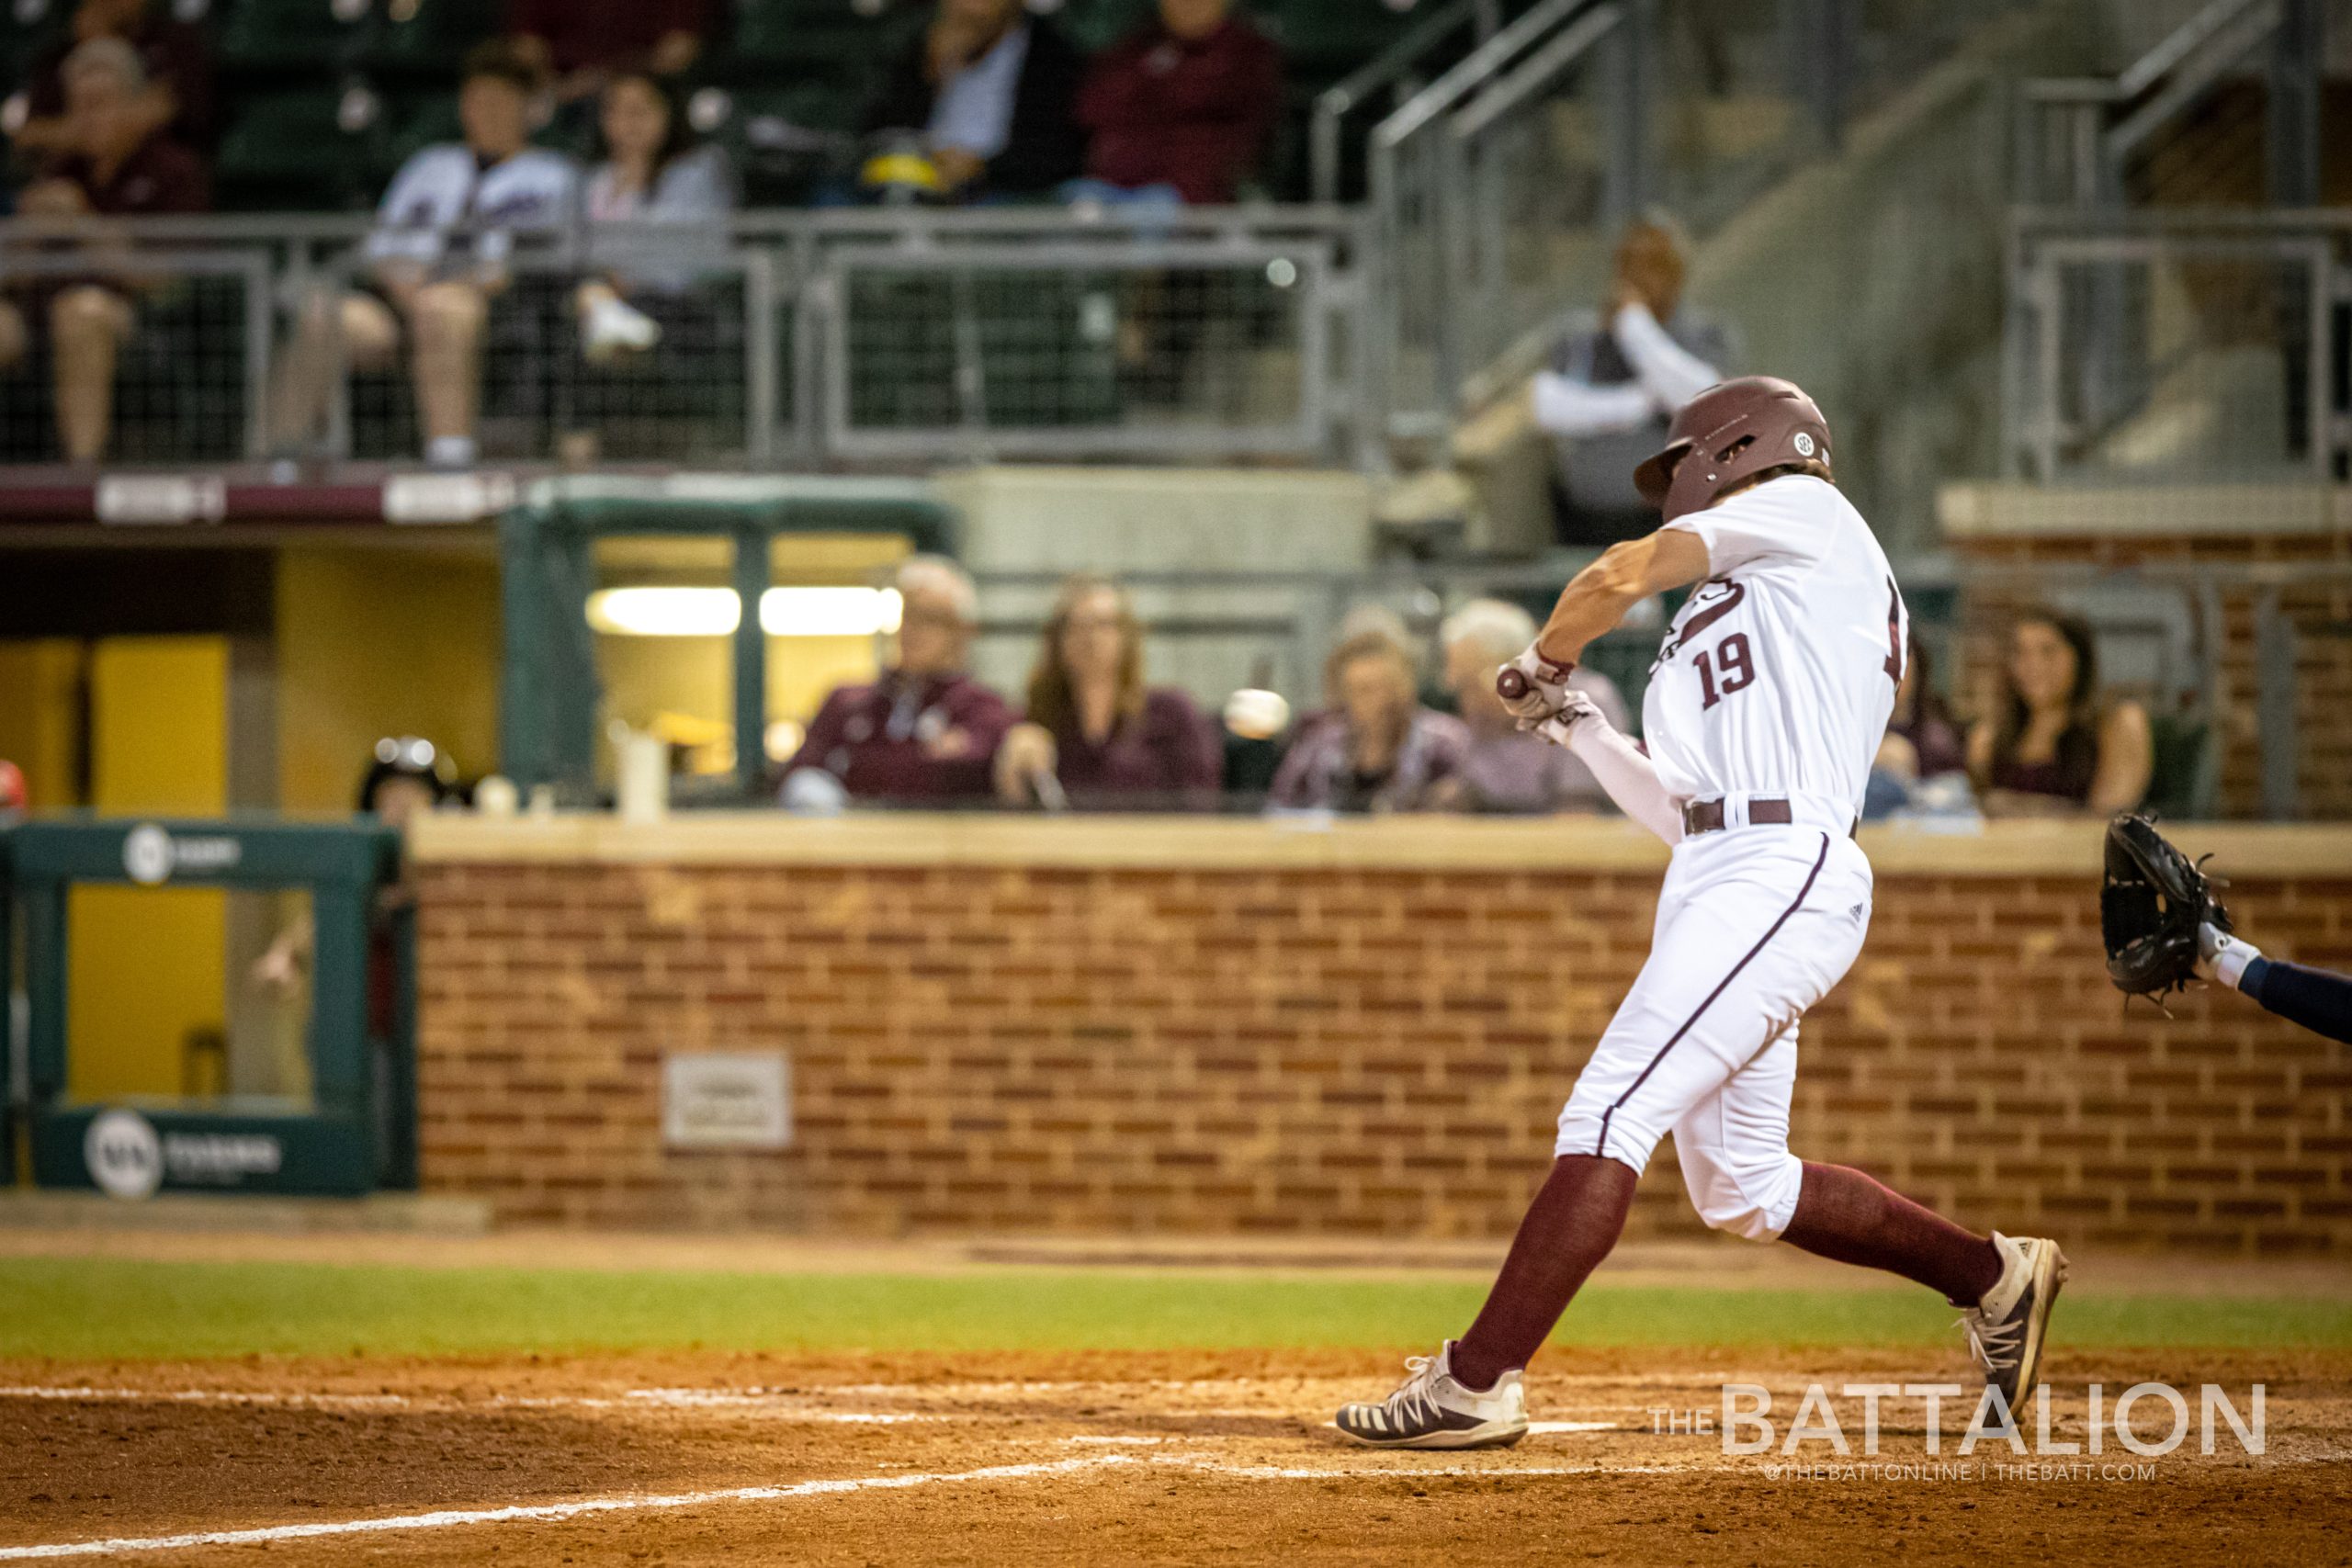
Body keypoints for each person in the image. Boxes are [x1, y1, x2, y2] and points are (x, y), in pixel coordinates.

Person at [1336, 378, 2064, 1449]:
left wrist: (1544, 659)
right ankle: (1992, 1276)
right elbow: (1686, 808)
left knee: (1606, 1111)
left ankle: (1474, 1380)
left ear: (1738, 448)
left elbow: (1614, 572)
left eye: (1679, 463)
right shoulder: (1750, 597)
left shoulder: (1805, 509)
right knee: (1743, 1187)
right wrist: (1576, 725)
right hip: (1725, 864)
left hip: (1781, 867)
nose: (1669, 488)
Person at [269, 41, 576, 468]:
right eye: (476, 100)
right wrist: (401, 283)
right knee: (323, 313)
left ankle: (449, 461)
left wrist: (451, 286)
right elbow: (381, 247)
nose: (485, 111)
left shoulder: (552, 175)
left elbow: (533, 263)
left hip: (491, 305)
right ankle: (282, 457)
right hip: (402, 297)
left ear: (526, 108)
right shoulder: (429, 165)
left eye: (499, 101)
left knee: (441, 308)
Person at [0, 37, 209, 465]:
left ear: (136, 106)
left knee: (81, 312)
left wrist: (83, 223)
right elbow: (11, 274)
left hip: (137, 324)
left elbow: (167, 282)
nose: (88, 117)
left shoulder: (173, 170)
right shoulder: (58, 170)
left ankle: (81, 479)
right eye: (79, 105)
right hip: (38, 317)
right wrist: (27, 233)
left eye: (101, 103)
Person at [1529, 216, 1731, 547]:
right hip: (1583, 527)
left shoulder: (1708, 335)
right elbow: (1548, 407)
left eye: (1652, 265)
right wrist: (1642, 401)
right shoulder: (1582, 338)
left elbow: (1704, 403)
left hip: (1670, 532)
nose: (1636, 276)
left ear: (1677, 275)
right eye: (1627, 263)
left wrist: (1635, 328)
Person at [779, 557, 1015, 809]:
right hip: (852, 844)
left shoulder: (986, 711)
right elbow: (799, 772)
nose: (912, 630)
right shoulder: (848, 703)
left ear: (964, 630)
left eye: (930, 619)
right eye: (907, 615)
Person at [994, 574, 1222, 810]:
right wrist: (1014, 776)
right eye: (1077, 626)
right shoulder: (1037, 719)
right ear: (1058, 640)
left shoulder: (1173, 713)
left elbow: (1202, 802)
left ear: (1127, 636)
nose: (1091, 638)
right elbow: (1017, 813)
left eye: (1104, 624)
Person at [572, 72, 733, 362]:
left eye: (640, 111)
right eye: (616, 111)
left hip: (675, 308)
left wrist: (622, 276)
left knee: (596, 299)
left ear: (669, 114)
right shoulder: (594, 181)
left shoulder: (697, 172)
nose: (628, 123)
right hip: (599, 297)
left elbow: (685, 256)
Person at [863, 0, 1087, 202]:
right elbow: (879, 132)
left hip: (1004, 191)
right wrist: (930, 73)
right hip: (918, 180)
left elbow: (1055, 153)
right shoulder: (920, 45)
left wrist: (981, 167)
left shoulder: (1049, 53)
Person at [1067, 0, 1282, 209]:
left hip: (1191, 196)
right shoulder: (1140, 44)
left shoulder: (1248, 53)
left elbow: (1233, 122)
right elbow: (1093, 107)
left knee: (1152, 209)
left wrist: (1160, 85)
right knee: (1074, 207)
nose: (1186, 4)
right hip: (1113, 184)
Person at [1430, 598, 1628, 815]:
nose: (1466, 703)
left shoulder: (1585, 701)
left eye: (1469, 686)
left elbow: (1579, 815)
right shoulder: (1483, 721)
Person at [1967, 609, 2152, 818]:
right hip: (2000, 850)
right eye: (2020, 652)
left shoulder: (2117, 724)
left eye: (2048, 651)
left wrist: (2013, 807)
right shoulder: (1989, 737)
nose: (2032, 665)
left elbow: (2108, 818)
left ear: (2079, 658)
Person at [1267, 630, 1468, 814]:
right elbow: (1277, 810)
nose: (1377, 701)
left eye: (1383, 688)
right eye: (1359, 690)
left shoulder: (1444, 742)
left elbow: (1471, 805)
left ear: (1404, 689)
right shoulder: (1319, 745)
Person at [11, 0, 215, 158]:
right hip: (73, 176)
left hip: (153, 173)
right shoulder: (62, 51)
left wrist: (70, 132)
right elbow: (29, 136)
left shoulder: (175, 40)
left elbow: (173, 109)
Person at [506, 0, 708, 104]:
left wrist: (610, 78)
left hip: (641, 89)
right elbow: (527, 45)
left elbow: (681, 47)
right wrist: (554, 89)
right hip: (559, 95)